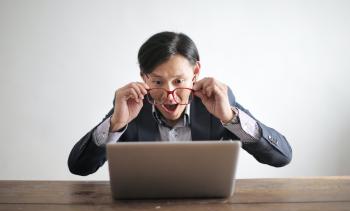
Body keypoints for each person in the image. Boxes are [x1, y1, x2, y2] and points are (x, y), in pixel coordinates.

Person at [68, 31, 292, 176]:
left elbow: (282, 158)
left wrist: (229, 118)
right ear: (144, 77)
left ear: (195, 73)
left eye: (178, 81)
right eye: (157, 81)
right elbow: (79, 167)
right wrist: (116, 124)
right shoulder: (131, 106)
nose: (169, 94)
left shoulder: (217, 101)